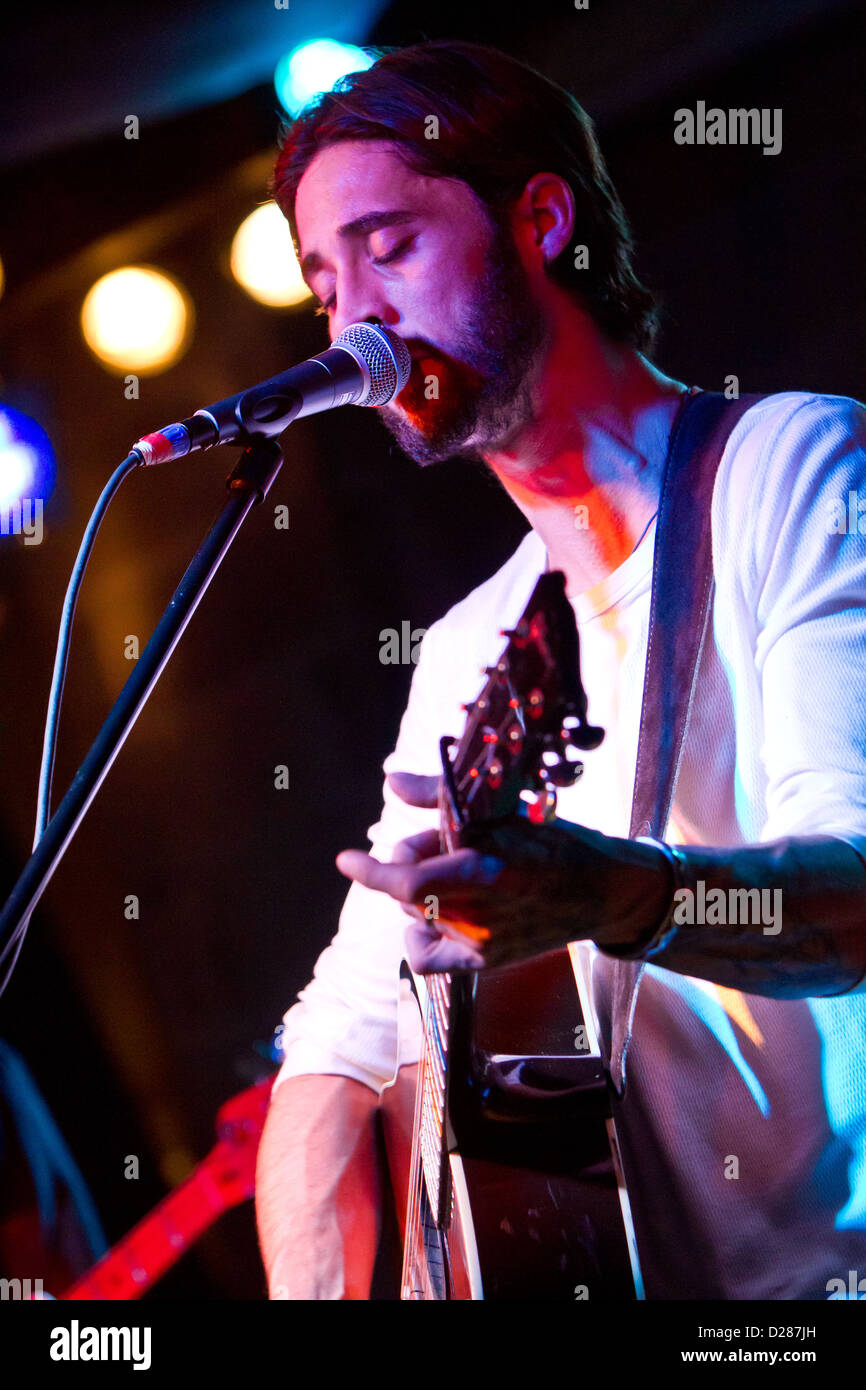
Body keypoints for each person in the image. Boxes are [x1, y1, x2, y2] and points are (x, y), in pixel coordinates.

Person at [254, 40, 866, 1300]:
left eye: (390, 245)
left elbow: (855, 890)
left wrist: (612, 897)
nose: (351, 315)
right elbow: (343, 1037)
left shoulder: (787, 466)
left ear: (539, 218)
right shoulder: (467, 653)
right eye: (321, 283)